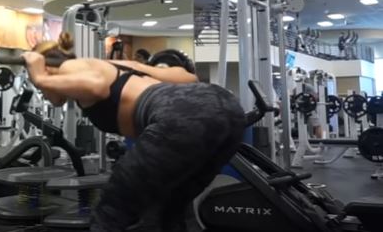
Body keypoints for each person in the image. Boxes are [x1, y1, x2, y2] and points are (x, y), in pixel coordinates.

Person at [22, 33, 245, 232]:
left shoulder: (72, 66)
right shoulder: (117, 66)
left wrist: (40, 76)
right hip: (227, 108)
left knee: (111, 211)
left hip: (179, 115)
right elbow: (189, 78)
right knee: (170, 207)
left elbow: (96, 85)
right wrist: (136, 66)